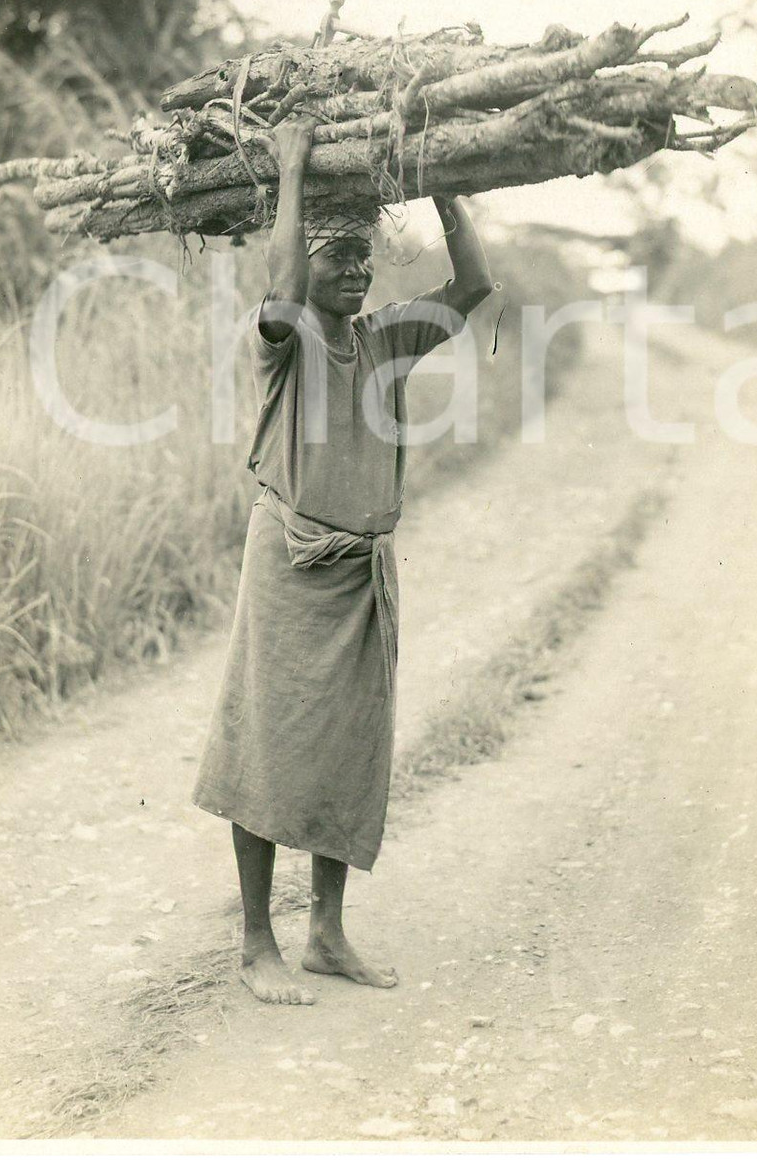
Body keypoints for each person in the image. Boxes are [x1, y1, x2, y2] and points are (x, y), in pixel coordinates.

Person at [193, 112, 493, 1006]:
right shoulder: (283, 345)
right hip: (290, 560)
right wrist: (291, 169)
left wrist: (448, 191)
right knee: (270, 744)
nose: (355, 271)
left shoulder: (386, 341)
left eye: (364, 258)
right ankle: (257, 942)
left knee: (350, 747)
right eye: (339, 259)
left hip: (363, 570)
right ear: (309, 268)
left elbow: (474, 286)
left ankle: (326, 933)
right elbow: (279, 281)